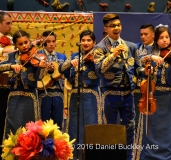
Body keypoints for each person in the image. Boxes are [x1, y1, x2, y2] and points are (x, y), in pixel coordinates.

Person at [134, 25, 171, 160]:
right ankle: (148, 155)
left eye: (167, 37)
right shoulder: (148, 53)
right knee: (151, 129)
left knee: (169, 129)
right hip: (152, 95)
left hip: (169, 97)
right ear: (156, 39)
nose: (165, 41)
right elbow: (140, 63)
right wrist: (152, 57)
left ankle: (170, 156)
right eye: (161, 38)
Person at [93, 13, 142, 160]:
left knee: (129, 127)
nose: (116, 28)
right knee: (110, 128)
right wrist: (113, 55)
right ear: (106, 29)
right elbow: (99, 69)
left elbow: (138, 69)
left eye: (118, 25)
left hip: (128, 93)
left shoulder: (132, 47)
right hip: (109, 93)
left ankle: (128, 157)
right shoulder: (100, 48)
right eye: (112, 26)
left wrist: (145, 71)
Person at [0, 30, 46, 139]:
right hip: (14, 95)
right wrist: (11, 66)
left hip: (31, 96)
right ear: (16, 45)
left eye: (26, 42)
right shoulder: (12, 56)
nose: (24, 46)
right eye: (20, 44)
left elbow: (39, 78)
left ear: (30, 41)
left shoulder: (36, 56)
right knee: (13, 124)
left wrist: (42, 68)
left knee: (31, 126)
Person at [59, 30, 101, 160]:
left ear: (94, 42)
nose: (86, 43)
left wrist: (95, 61)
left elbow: (104, 69)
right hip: (75, 95)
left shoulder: (99, 56)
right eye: (83, 40)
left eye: (89, 40)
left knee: (90, 124)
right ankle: (73, 155)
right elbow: (61, 69)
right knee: (73, 124)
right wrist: (70, 63)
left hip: (91, 94)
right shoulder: (75, 55)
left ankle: (90, 155)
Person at [0, 11, 15, 159]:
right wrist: (4, 50)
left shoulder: (11, 39)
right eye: (8, 23)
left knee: (5, 121)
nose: (10, 26)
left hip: (9, 86)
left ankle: (3, 153)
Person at [38, 31, 66, 130]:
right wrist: (45, 69)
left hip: (58, 92)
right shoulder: (38, 55)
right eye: (48, 41)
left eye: (53, 41)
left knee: (58, 122)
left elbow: (65, 74)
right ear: (44, 42)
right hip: (43, 92)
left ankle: (57, 144)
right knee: (43, 122)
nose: (51, 44)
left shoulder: (62, 57)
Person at [134, 24, 155, 131]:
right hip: (139, 88)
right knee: (137, 119)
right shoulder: (135, 48)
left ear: (153, 35)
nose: (142, 37)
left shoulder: (159, 48)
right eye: (141, 34)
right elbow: (134, 66)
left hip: (154, 91)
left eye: (145, 34)